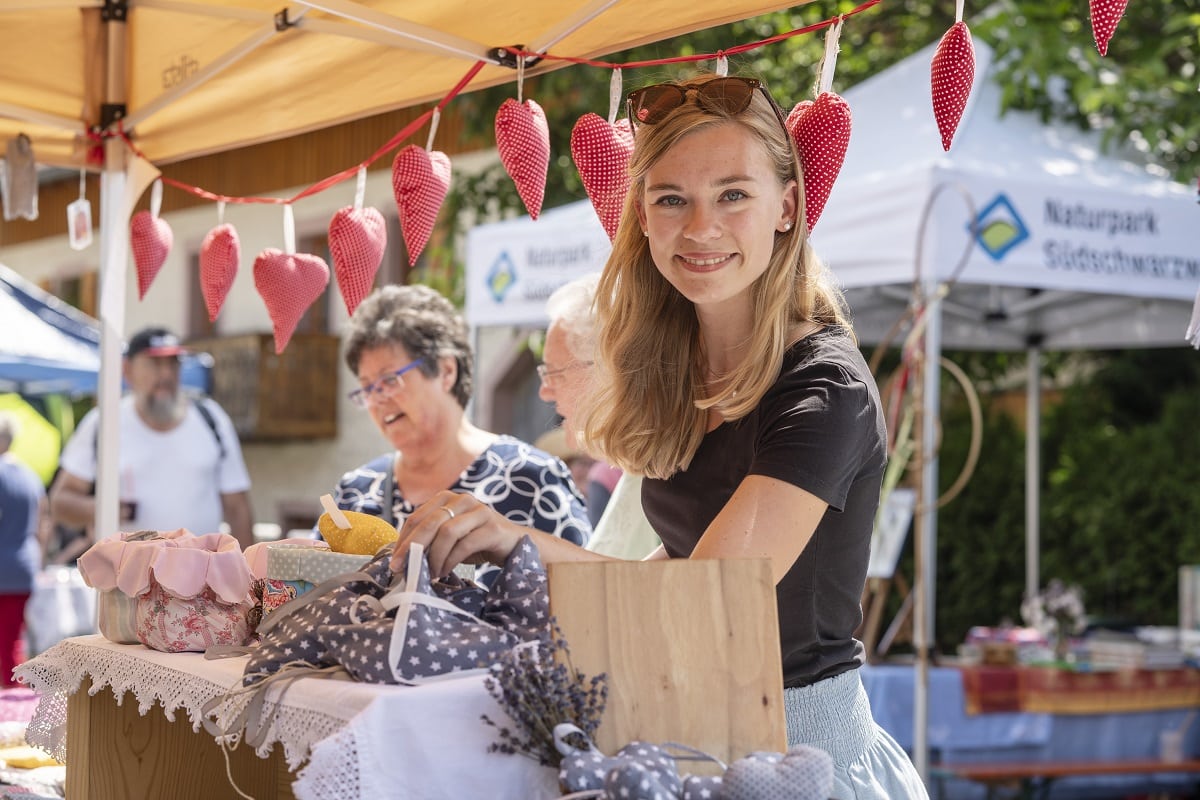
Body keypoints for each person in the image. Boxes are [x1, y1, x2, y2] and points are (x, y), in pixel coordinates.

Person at [392, 74, 927, 798]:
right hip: (686, 739)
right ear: (642, 216)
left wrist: (520, 544)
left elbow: (699, 600)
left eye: (733, 194)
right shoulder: (681, 372)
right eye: (672, 198)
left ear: (787, 207)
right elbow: (663, 575)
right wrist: (502, 537)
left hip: (803, 761)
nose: (700, 227)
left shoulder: (822, 388)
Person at [329, 284, 590, 583]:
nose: (377, 399)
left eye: (389, 379)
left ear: (446, 371)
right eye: (367, 387)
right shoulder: (357, 491)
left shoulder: (532, 478)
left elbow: (586, 594)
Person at [50, 327, 254, 549]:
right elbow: (60, 502)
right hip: (127, 580)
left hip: (202, 578)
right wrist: (101, 508)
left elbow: (238, 507)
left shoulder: (211, 419)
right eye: (155, 364)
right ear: (127, 370)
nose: (166, 374)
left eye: (173, 363)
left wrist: (246, 576)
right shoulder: (104, 423)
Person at [538, 274, 660, 560]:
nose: (545, 392)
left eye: (553, 373)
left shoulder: (667, 468)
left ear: (608, 369)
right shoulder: (640, 466)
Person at [0, 413, 45, 686]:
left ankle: (16, 705)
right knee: (13, 638)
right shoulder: (30, 475)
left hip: (4, 567)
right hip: (24, 564)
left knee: (8, 646)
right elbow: (43, 521)